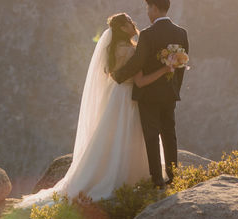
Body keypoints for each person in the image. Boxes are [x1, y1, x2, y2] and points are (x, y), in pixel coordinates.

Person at [16, 12, 174, 207]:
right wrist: (165, 70)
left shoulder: (114, 48)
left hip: (116, 98)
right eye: (130, 22)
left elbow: (113, 76)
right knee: (130, 137)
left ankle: (101, 176)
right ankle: (128, 180)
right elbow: (140, 81)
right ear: (123, 28)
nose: (134, 24)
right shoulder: (131, 51)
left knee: (112, 139)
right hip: (129, 100)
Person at [111, 0, 189, 187]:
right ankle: (173, 176)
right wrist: (174, 88)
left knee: (152, 135)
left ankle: (157, 179)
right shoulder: (181, 33)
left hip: (149, 94)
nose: (147, 13)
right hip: (169, 93)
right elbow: (181, 67)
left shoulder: (147, 34)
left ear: (154, 8)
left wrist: (118, 75)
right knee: (170, 133)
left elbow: (138, 62)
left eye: (148, 8)